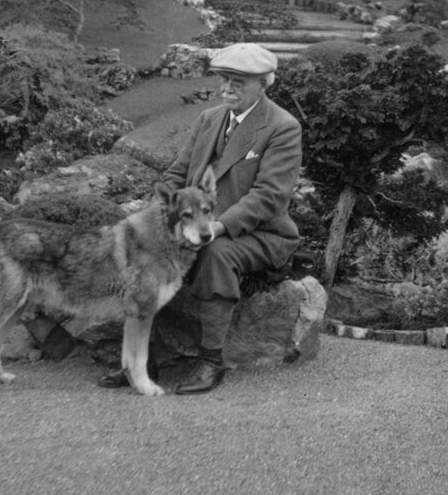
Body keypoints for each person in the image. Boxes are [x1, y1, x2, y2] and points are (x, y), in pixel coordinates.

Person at [99, 42, 303, 395]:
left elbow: (270, 196)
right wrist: (153, 221)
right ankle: (144, 361)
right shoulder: (208, 119)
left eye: (238, 82)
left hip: (260, 234)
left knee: (213, 254)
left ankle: (211, 360)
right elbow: (176, 175)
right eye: (225, 80)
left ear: (264, 84)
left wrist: (212, 228)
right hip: (199, 224)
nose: (227, 89)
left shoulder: (282, 127)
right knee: (147, 257)